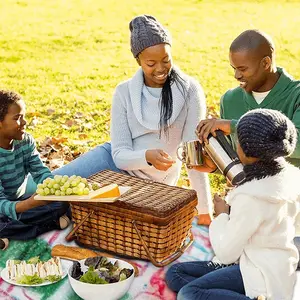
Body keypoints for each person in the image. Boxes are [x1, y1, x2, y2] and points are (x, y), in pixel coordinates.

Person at [50, 15, 212, 225]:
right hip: (113, 162)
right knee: (49, 188)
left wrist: (205, 211)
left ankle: (61, 216)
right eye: (151, 63)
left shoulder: (190, 90)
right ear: (138, 60)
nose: (161, 69)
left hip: (147, 185)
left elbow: (193, 156)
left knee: (81, 212)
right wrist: (146, 156)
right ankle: (14, 214)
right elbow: (119, 155)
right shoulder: (124, 92)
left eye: (166, 59)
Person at [166, 108, 300, 300]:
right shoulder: (292, 177)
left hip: (260, 274)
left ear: (244, 150)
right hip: (273, 265)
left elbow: (226, 253)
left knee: (189, 293)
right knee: (175, 274)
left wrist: (222, 215)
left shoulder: (251, 197)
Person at [195, 29, 300, 263]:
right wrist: (216, 165)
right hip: (248, 205)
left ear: (266, 63)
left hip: (289, 209)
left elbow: (297, 142)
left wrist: (234, 126)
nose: (236, 75)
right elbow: (243, 159)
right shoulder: (230, 100)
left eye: (242, 69)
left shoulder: (297, 95)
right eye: (233, 68)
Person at [0, 90, 70, 247]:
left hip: (19, 202)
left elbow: (40, 172)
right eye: (17, 118)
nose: (24, 122)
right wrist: (30, 204)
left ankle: (10, 233)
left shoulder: (25, 141)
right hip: (4, 207)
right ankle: (49, 224)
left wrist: (54, 189)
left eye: (24, 116)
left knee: (63, 203)